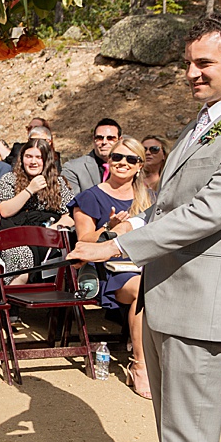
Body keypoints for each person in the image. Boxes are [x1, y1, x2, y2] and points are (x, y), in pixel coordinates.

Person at [74, 15, 221, 442]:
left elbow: (212, 210)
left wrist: (118, 246)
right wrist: (131, 228)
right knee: (174, 417)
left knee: (191, 423)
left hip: (204, 296)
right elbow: (172, 204)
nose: (190, 72)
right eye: (188, 62)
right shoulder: (208, 120)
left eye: (203, 63)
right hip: (173, 286)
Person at [69, 136, 153, 398]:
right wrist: (110, 229)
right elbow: (83, 241)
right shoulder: (90, 196)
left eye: (131, 159)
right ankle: (140, 365)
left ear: (140, 165)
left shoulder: (149, 197)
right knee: (144, 288)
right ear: (108, 160)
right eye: (117, 157)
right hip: (108, 271)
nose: (123, 163)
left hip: (145, 264)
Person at [0, 139, 72, 281]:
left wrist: (52, 230)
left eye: (38, 157)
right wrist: (29, 190)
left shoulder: (58, 182)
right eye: (29, 156)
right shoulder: (9, 179)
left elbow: (70, 214)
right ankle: (13, 300)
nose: (33, 162)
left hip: (48, 236)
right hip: (16, 238)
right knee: (23, 257)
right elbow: (4, 211)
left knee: (64, 254)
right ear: (22, 158)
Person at [62, 117, 122, 197]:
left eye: (110, 138)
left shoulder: (128, 166)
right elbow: (70, 203)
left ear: (120, 140)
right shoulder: (73, 168)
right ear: (94, 140)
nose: (104, 142)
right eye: (99, 138)